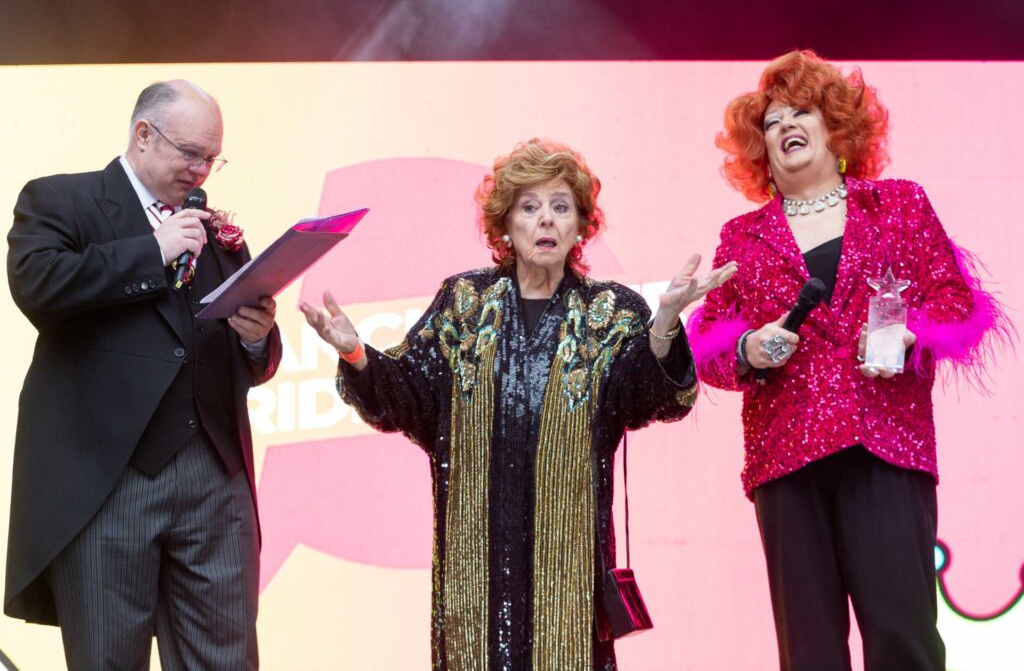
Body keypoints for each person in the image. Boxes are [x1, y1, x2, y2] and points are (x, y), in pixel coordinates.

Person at [301, 138, 735, 670]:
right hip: (474, 568)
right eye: (529, 207)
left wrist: (664, 327)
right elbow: (405, 395)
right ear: (505, 226)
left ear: (580, 227)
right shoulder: (464, 303)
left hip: (569, 574)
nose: (545, 221)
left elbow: (652, 397)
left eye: (561, 207)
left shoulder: (611, 311)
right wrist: (354, 351)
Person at [690, 50, 1011, 671]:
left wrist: (911, 335)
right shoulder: (742, 235)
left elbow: (954, 301)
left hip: (886, 443)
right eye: (772, 119)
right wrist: (750, 348)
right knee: (809, 651)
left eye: (800, 111)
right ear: (760, 151)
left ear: (834, 125)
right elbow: (710, 345)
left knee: (902, 638)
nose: (785, 124)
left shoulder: (898, 205)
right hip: (785, 454)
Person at [5, 80, 282, 670]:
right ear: (143, 134)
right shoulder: (62, 201)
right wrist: (150, 250)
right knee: (107, 657)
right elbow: (38, 285)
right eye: (191, 154)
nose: (202, 170)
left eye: (212, 158)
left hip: (214, 475)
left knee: (227, 660)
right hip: (106, 479)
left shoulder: (212, 229)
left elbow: (235, 352)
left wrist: (258, 341)